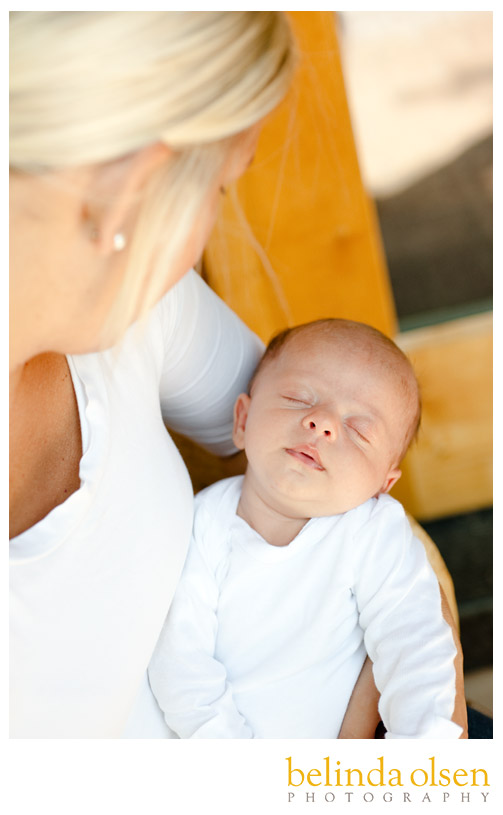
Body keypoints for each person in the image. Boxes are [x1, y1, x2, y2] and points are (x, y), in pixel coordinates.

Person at [9, 10, 296, 738]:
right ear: (128, 191)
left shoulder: (133, 297)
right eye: (219, 189)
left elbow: (341, 435)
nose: (207, 226)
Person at [149, 319, 466, 739]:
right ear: (242, 420)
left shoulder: (371, 530)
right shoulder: (200, 525)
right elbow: (181, 665)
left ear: (382, 485)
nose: (322, 423)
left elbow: (418, 648)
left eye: (358, 429)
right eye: (298, 399)